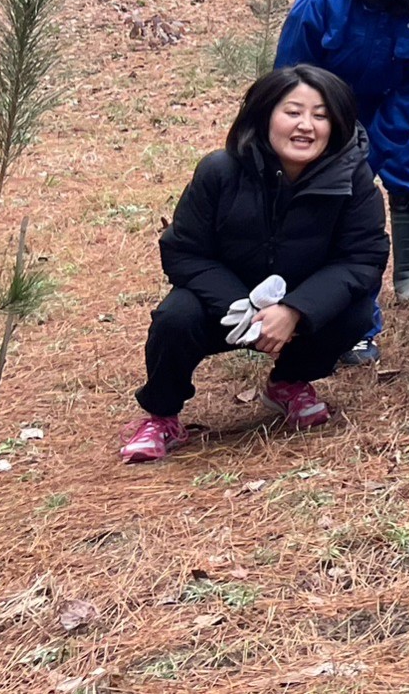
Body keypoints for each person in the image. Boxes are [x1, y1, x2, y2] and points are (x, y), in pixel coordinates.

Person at [120, 65, 387, 462]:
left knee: (355, 312)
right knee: (175, 317)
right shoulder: (219, 171)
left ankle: (288, 383)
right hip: (223, 305)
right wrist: (239, 305)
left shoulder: (355, 182)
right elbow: (183, 251)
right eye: (293, 112)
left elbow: (362, 260)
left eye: (321, 115)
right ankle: (162, 416)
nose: (306, 126)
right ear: (264, 115)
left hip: (299, 304)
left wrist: (296, 310)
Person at [272, 0, 409, 376]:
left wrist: (364, 154)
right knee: (303, 217)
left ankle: (357, 326)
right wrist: (311, 142)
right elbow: (286, 85)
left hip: (377, 129)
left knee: (357, 219)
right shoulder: (321, 0)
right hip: (312, 123)